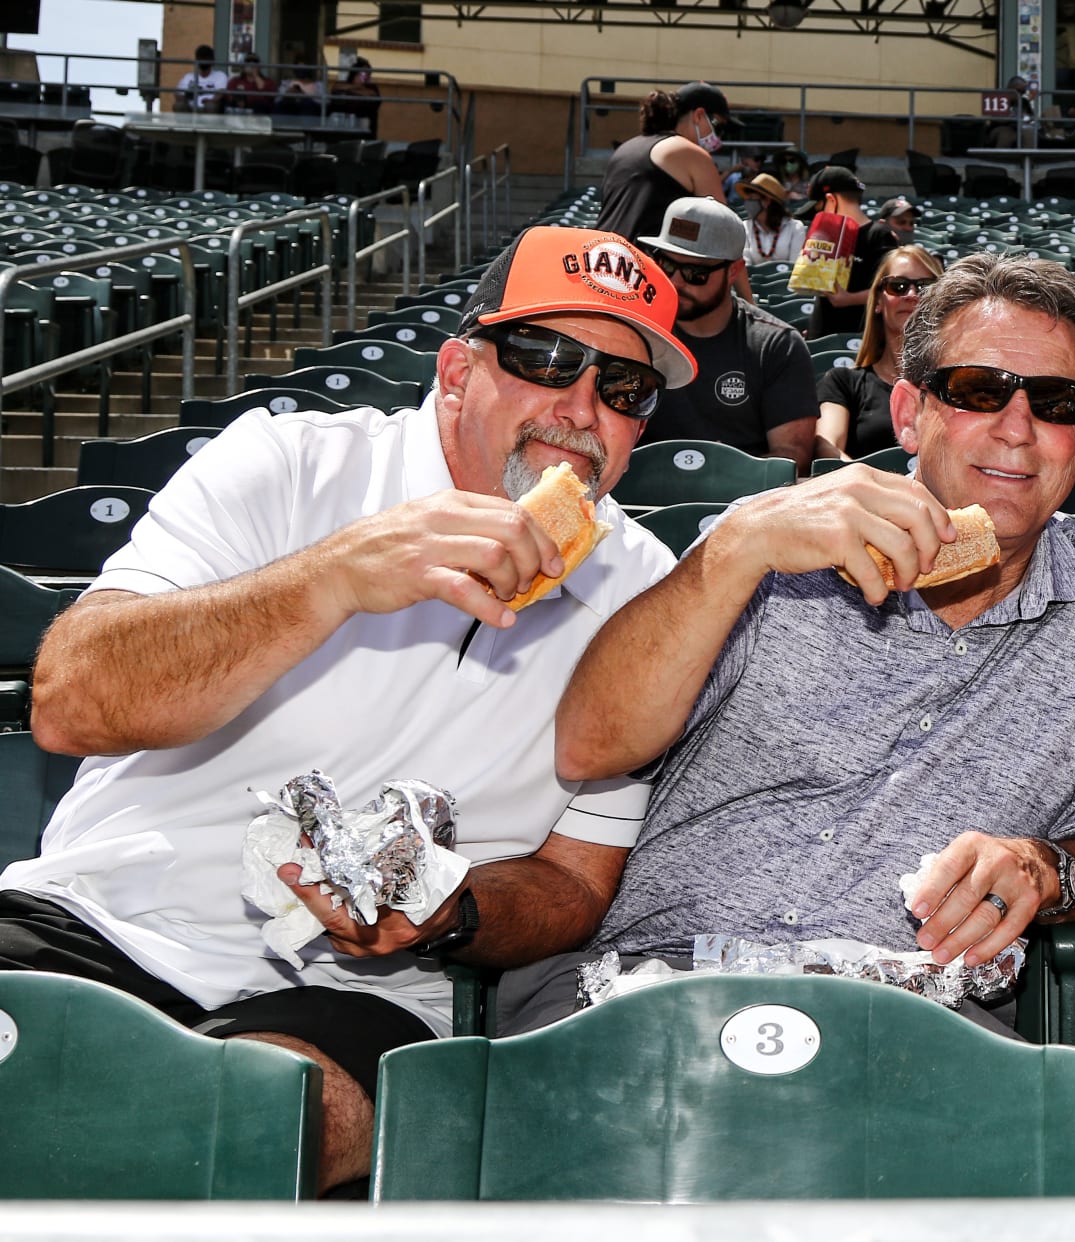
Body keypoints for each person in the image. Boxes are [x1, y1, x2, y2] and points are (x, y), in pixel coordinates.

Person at [0, 225, 695, 1194]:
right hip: (103, 918)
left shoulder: (644, 593)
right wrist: (331, 579)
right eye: (545, 358)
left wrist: (453, 915)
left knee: (253, 1131)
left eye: (624, 389)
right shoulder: (292, 465)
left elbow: (575, 885)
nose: (581, 407)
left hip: (354, 990)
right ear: (457, 371)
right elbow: (69, 698)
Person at [500, 253, 1075, 1036]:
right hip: (663, 981)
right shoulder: (766, 544)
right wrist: (735, 550)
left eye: (1055, 402)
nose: (1016, 429)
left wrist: (1044, 868)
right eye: (976, 391)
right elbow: (590, 746)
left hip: (918, 1020)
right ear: (909, 413)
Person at [635, 198, 815, 468]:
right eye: (666, 265)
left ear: (733, 271)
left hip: (741, 501)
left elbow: (791, 457)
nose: (676, 281)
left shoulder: (776, 345)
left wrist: (717, 473)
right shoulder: (635, 333)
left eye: (695, 273)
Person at [816, 244, 944, 462]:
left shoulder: (958, 383)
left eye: (925, 287)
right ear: (877, 301)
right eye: (898, 286)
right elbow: (827, 447)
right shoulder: (843, 382)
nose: (912, 295)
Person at [597, 81, 732, 247]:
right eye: (720, 126)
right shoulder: (692, 154)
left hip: (601, 261)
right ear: (698, 116)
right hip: (646, 266)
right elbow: (723, 230)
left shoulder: (626, 147)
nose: (720, 137)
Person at [803, 165, 897, 340]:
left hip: (860, 338)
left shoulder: (878, 236)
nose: (818, 216)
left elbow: (892, 290)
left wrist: (849, 299)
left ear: (832, 201)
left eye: (819, 208)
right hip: (821, 334)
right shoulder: (827, 235)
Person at [732, 173, 804, 268]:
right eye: (747, 199)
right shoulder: (745, 227)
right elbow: (745, 266)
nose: (747, 203)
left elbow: (796, 266)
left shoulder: (795, 227)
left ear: (767, 201)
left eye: (752, 199)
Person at [326, 58, 382, 137]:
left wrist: (352, 89)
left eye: (368, 73)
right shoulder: (342, 83)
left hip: (363, 126)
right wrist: (356, 87)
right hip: (342, 124)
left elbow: (371, 94)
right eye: (363, 73)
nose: (366, 76)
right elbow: (336, 88)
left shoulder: (371, 87)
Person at [174, 46, 229, 113]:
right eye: (201, 57)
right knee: (179, 105)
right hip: (189, 109)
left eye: (206, 57)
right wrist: (185, 99)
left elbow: (220, 93)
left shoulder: (220, 75)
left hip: (209, 107)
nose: (204, 60)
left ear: (212, 60)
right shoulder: (188, 77)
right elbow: (178, 94)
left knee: (210, 106)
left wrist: (211, 101)